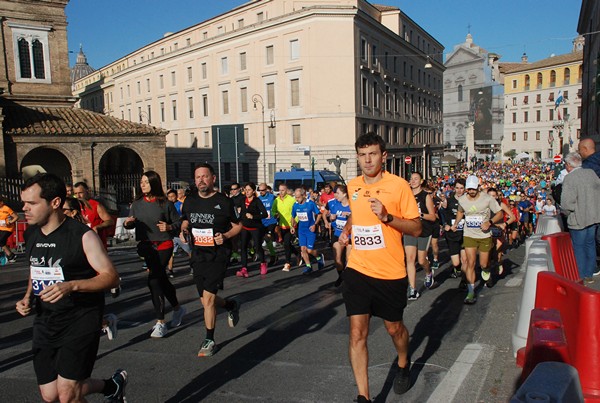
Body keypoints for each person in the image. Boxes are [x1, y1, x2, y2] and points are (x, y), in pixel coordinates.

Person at [15, 173, 127, 402]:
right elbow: (36, 268)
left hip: (80, 318)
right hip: (46, 319)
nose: (25, 208)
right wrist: (27, 297)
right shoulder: (31, 233)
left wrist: (72, 286)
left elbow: (111, 277)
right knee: (50, 395)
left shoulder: (82, 236)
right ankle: (111, 386)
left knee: (67, 393)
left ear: (55, 202)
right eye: (24, 202)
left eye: (32, 203)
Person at [338, 133, 421, 402]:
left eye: (372, 154)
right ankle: (364, 396)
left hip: (390, 273)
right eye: (362, 155)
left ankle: (403, 361)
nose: (367, 160)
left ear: (383, 156)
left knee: (394, 329)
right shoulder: (353, 185)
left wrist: (387, 216)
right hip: (359, 269)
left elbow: (417, 227)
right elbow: (356, 212)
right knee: (356, 332)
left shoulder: (399, 187)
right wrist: (347, 229)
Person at [180, 163, 242, 357]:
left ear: (213, 179)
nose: (201, 180)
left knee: (208, 299)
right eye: (198, 177)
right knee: (206, 300)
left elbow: (238, 226)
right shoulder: (189, 201)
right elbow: (185, 220)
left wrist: (225, 236)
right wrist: (183, 231)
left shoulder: (224, 201)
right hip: (198, 254)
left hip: (218, 255)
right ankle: (231, 305)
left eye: (205, 177)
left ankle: (209, 339)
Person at [124, 171, 186, 338]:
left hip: (164, 244)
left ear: (154, 183)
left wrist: (169, 227)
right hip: (146, 246)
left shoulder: (164, 203)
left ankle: (160, 322)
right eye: (141, 182)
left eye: (146, 182)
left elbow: (178, 222)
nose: (142, 185)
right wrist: (127, 223)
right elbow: (131, 222)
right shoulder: (137, 203)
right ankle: (178, 309)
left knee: (154, 281)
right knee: (161, 280)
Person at [63, 197, 119, 341]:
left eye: (63, 210)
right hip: (67, 276)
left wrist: (98, 228)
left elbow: (109, 220)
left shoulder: (84, 229)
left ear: (73, 212)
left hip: (89, 268)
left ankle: (105, 321)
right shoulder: (58, 229)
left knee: (86, 312)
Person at [452, 175, 503, 304]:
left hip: (484, 235)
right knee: (470, 263)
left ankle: (486, 270)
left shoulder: (487, 199)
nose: (471, 191)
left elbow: (500, 213)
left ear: (478, 188)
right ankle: (471, 292)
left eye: (473, 189)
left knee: (484, 264)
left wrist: (489, 222)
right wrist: (456, 223)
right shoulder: (463, 199)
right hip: (469, 234)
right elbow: (460, 211)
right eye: (469, 189)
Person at [560, 152, 600, 283]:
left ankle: (581, 275)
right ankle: (589, 273)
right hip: (593, 216)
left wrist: (565, 213)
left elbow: (566, 203)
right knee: (590, 245)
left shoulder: (570, 178)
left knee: (579, 247)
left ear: (569, 165)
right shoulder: (591, 173)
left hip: (578, 218)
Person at [404, 172, 436, 300]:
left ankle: (428, 273)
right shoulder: (406, 195)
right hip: (409, 230)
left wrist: (420, 214)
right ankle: (413, 289)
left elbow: (433, 217)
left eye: (416, 179)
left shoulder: (425, 196)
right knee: (410, 259)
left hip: (424, 230)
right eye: (411, 179)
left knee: (421, 260)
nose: (413, 181)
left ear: (421, 181)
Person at [236, 182, 268, 278]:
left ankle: (263, 263)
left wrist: (253, 216)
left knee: (258, 247)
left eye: (249, 190)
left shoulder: (257, 201)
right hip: (245, 227)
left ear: (253, 191)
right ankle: (244, 269)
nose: (247, 191)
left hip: (255, 228)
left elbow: (265, 214)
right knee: (243, 247)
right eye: (245, 190)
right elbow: (239, 211)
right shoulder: (242, 200)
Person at [290, 187, 325, 274]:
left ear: (304, 195)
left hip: (310, 229)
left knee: (309, 250)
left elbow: (319, 214)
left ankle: (319, 257)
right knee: (303, 249)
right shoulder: (295, 205)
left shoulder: (310, 204)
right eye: (295, 197)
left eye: (298, 197)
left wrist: (315, 224)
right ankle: (308, 266)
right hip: (301, 230)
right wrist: (292, 226)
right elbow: (292, 217)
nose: (296, 199)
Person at [73, 182, 115, 248]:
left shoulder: (96, 205)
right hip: (81, 244)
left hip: (97, 243)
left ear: (87, 191)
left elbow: (110, 221)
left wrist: (98, 227)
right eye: (75, 194)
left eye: (80, 193)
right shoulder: (74, 206)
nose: (78, 196)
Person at [440, 178, 467, 280]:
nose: (459, 190)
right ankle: (457, 269)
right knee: (456, 262)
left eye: (461, 188)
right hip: (452, 234)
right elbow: (441, 215)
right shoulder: (449, 201)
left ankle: (465, 281)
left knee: (465, 259)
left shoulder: (468, 201)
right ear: (454, 188)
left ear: (465, 189)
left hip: (465, 234)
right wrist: (445, 225)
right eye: (457, 188)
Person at [272, 183, 300, 272]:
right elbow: (273, 211)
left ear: (286, 190)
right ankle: (297, 253)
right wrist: (275, 214)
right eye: (279, 190)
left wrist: (294, 223)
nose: (281, 192)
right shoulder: (276, 200)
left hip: (290, 226)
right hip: (281, 226)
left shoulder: (291, 200)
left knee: (287, 244)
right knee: (286, 244)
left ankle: (288, 263)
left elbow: (297, 212)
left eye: (283, 190)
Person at [327, 185, 351, 287]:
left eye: (337, 193)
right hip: (338, 234)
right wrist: (331, 218)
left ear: (344, 194)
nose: (335, 195)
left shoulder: (352, 206)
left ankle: (348, 280)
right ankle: (342, 276)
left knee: (349, 260)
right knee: (337, 260)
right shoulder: (335, 205)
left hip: (350, 236)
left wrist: (350, 215)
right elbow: (331, 217)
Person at [166, 189, 191, 277]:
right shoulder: (167, 206)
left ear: (176, 196)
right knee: (171, 253)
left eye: (172, 196)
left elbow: (184, 218)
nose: (171, 198)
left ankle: (193, 266)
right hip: (171, 234)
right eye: (169, 197)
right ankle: (170, 269)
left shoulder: (181, 205)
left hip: (180, 233)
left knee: (189, 250)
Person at [257, 183, 279, 266]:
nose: (261, 192)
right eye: (259, 190)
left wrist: (277, 213)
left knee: (268, 237)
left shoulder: (272, 197)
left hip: (271, 221)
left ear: (266, 190)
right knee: (266, 240)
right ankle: (273, 255)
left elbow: (278, 206)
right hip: (263, 222)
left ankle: (273, 255)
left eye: (262, 190)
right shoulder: (258, 199)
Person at [0, 196, 19, 262]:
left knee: (1, 240)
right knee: (2, 242)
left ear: (1, 202)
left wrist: (10, 222)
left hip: (8, 228)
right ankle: (11, 255)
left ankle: (10, 255)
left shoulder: (6, 208)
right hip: (1, 227)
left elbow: (16, 217)